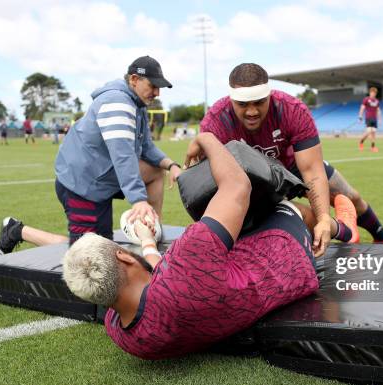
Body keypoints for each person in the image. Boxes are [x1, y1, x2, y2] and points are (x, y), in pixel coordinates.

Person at [62, 132, 322, 360]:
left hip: (225, 292)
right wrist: (205, 138)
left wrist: (147, 242)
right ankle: (333, 226)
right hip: (287, 258)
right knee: (278, 205)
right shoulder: (188, 257)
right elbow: (237, 185)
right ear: (125, 257)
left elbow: (155, 284)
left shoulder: (121, 334)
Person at [198, 63, 383, 257]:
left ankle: (382, 237)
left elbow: (312, 170)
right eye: (242, 105)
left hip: (292, 166)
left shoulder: (291, 109)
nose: (252, 111)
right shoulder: (216, 121)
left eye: (259, 102)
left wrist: (322, 218)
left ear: (269, 94)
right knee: (294, 213)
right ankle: (344, 231)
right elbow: (213, 182)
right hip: (255, 179)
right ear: (231, 99)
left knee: (351, 197)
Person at [0, 56, 182, 255]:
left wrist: (171, 165)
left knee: (154, 170)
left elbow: (146, 146)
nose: (157, 92)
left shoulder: (138, 105)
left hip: (103, 178)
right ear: (134, 79)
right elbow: (123, 154)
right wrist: (138, 200)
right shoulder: (117, 101)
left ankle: (152, 230)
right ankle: (15, 231)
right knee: (91, 255)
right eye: (153, 85)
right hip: (82, 184)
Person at [358, 87, 382, 152]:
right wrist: (360, 116)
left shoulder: (377, 101)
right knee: (368, 132)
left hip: (374, 119)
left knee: (373, 132)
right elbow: (362, 108)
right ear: (370, 93)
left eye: (374, 93)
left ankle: (373, 147)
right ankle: (361, 141)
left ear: (376, 94)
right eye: (372, 93)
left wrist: (380, 119)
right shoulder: (366, 99)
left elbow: (378, 110)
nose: (373, 94)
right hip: (368, 118)